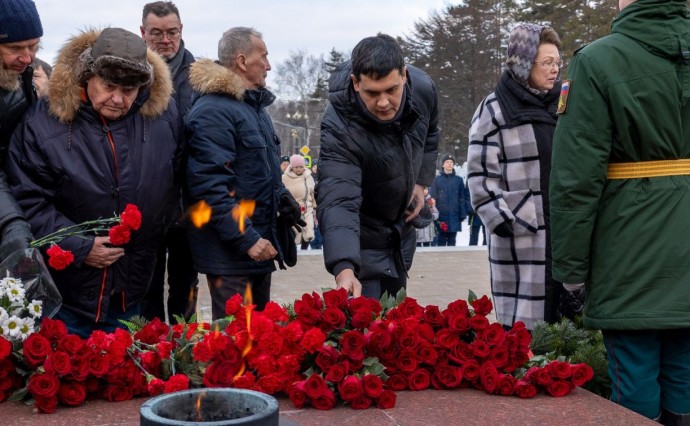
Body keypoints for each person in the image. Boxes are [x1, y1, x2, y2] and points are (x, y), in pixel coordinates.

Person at [550, 0, 690, 422]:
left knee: (636, 377)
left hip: (630, 248)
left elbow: (576, 179)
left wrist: (571, 268)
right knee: (685, 373)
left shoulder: (597, 61)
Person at [7, 28, 181, 338]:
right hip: (67, 298)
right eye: (109, 86)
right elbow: (27, 201)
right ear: (88, 76)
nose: (117, 99)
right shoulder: (42, 122)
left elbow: (172, 187)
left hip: (131, 292)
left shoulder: (161, 119)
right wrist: (79, 246)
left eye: (129, 90)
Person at [185, 27, 302, 320]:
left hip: (257, 248)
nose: (269, 65)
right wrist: (246, 238)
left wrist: (282, 197)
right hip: (232, 255)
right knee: (234, 349)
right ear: (240, 61)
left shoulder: (253, 108)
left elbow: (256, 172)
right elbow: (209, 187)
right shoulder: (214, 111)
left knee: (259, 342)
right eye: (263, 57)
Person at [317, 34, 439, 299]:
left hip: (399, 232)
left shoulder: (423, 89)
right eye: (372, 93)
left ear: (404, 75)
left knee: (398, 323)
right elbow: (338, 197)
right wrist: (344, 267)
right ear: (355, 83)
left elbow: (430, 133)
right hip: (360, 237)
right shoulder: (339, 125)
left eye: (391, 90)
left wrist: (420, 182)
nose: (383, 103)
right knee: (368, 327)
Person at [467, 24, 563, 330]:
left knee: (570, 332)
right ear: (523, 64)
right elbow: (480, 178)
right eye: (546, 62)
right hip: (522, 241)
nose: (554, 70)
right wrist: (507, 222)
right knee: (525, 333)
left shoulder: (563, 106)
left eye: (557, 63)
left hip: (565, 235)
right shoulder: (494, 110)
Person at [140, 1, 198, 323]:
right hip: (145, 200)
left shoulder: (201, 75)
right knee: (145, 286)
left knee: (185, 287)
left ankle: (187, 357)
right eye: (157, 32)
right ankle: (149, 357)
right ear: (143, 33)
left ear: (181, 31)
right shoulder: (131, 73)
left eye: (172, 32)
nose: (165, 40)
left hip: (188, 202)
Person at [0, 0, 42, 263]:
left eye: (34, 46)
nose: (27, 58)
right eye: (15, 47)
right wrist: (11, 220)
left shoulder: (23, 77)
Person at [430, 154, 467, 246]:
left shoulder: (459, 180)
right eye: (447, 162)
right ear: (443, 164)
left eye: (451, 162)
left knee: (452, 240)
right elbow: (432, 197)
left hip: (455, 215)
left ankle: (453, 260)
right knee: (440, 240)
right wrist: (433, 214)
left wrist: (463, 214)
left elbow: (462, 198)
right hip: (441, 216)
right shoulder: (436, 180)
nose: (449, 164)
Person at [282, 154, 316, 250]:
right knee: (294, 229)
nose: (299, 169)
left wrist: (314, 203)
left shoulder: (308, 176)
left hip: (307, 207)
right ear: (292, 167)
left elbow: (313, 191)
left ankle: (304, 249)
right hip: (292, 208)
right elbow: (282, 193)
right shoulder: (285, 178)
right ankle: (293, 249)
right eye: (296, 167)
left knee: (309, 228)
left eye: (301, 167)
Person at [309, 159, 323, 250]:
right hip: (312, 206)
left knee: (320, 225)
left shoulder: (322, 177)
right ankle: (313, 244)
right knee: (313, 225)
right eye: (314, 167)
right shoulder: (309, 178)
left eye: (317, 167)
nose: (315, 169)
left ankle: (320, 243)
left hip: (321, 204)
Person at [466, 181, 486, 246]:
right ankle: (471, 252)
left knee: (486, 235)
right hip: (474, 213)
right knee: (473, 236)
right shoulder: (470, 179)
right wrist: (471, 208)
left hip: (486, 211)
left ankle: (486, 252)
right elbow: (467, 196)